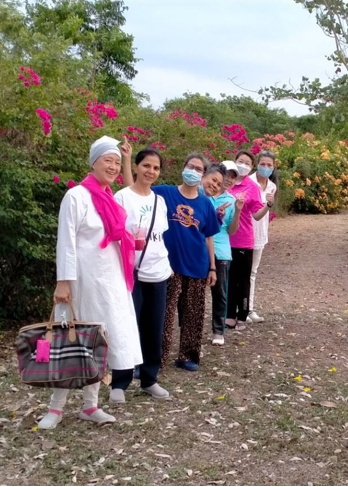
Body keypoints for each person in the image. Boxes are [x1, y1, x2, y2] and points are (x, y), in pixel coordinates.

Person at [39, 136, 142, 429]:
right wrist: (63, 282)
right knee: (71, 342)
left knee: (100, 342)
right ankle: (56, 408)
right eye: (107, 160)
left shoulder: (110, 198)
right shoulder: (77, 196)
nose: (113, 167)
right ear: (93, 163)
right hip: (81, 282)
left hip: (109, 283)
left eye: (116, 162)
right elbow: (66, 241)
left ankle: (90, 405)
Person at [124, 152, 220, 372]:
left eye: (199, 169)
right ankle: (155, 358)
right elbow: (133, 192)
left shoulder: (205, 204)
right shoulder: (164, 193)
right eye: (191, 166)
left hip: (197, 266)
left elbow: (209, 237)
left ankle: (188, 356)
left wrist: (213, 267)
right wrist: (127, 162)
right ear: (183, 167)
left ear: (203, 174)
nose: (193, 172)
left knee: (193, 316)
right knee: (162, 317)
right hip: (168, 266)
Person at [110, 143, 172, 403]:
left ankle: (149, 379)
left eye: (156, 168)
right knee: (126, 327)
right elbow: (114, 235)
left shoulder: (160, 201)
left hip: (159, 272)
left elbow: (160, 236)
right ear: (136, 166)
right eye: (146, 165)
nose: (151, 171)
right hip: (131, 274)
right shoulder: (122, 197)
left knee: (153, 328)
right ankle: (119, 382)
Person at [227, 150, 271, 328]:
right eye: (240, 161)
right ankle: (229, 314)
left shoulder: (252, 187)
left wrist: (268, 205)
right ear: (234, 161)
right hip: (224, 240)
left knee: (243, 280)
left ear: (252, 167)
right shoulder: (226, 182)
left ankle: (242, 314)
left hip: (243, 240)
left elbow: (257, 215)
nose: (243, 165)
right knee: (228, 279)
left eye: (247, 163)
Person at [209, 161, 244, 345]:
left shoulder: (231, 200)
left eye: (233, 177)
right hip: (199, 248)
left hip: (221, 250)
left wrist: (237, 211)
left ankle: (218, 331)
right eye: (227, 175)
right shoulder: (202, 194)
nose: (229, 180)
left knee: (220, 292)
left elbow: (231, 230)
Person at [248, 150, 278, 323]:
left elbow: (266, 210)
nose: (265, 167)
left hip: (260, 234)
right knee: (239, 273)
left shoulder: (272, 187)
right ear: (257, 164)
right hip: (244, 233)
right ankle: (236, 310)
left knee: (253, 272)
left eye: (269, 165)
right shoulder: (248, 182)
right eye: (263, 164)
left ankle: (249, 308)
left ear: (273, 167)